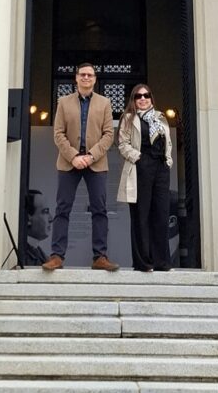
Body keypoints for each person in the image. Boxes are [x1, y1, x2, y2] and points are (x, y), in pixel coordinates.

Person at [44, 62, 118, 272]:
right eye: (82, 75)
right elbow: (58, 133)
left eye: (90, 75)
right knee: (62, 209)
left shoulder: (105, 103)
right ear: (76, 78)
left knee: (100, 210)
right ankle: (57, 256)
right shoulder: (63, 103)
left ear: (95, 79)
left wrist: (91, 156)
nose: (86, 78)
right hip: (69, 162)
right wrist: (74, 156)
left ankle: (100, 257)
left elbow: (108, 134)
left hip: (96, 164)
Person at [118, 83, 173, 273]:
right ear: (133, 100)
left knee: (161, 214)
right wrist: (138, 157)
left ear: (151, 98)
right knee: (141, 215)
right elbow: (123, 144)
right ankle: (143, 262)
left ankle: (162, 262)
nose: (142, 99)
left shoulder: (160, 117)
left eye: (146, 95)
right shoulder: (128, 118)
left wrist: (168, 160)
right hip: (141, 167)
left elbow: (168, 142)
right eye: (138, 96)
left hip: (160, 168)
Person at [23, 188, 51, 266]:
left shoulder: (38, 251)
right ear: (28, 218)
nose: (51, 219)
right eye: (45, 212)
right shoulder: (22, 254)